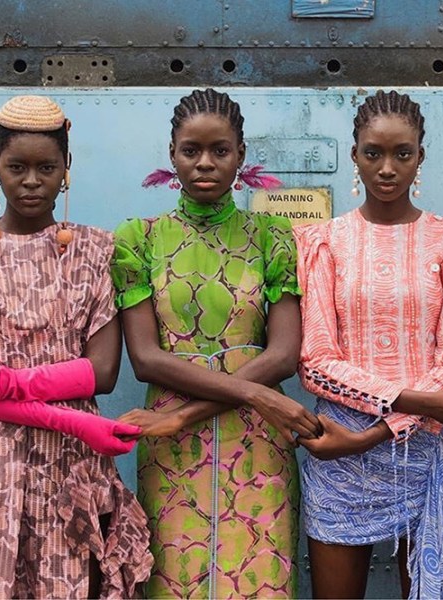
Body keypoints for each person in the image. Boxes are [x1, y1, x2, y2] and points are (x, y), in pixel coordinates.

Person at [294, 89, 443, 599]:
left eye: (403, 153)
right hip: (338, 446)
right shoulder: (322, 243)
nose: (387, 167)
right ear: (354, 154)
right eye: (373, 153)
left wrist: (380, 431)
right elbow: (316, 362)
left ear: (421, 156)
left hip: (427, 447)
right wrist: (410, 405)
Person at [0, 95, 152, 598]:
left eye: (46, 167)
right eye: (16, 166)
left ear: (66, 168)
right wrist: (68, 413)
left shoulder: (96, 251)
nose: (30, 181)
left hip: (68, 468)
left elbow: (103, 372)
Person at [111, 88, 319, 598]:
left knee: (260, 579)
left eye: (220, 151)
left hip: (256, 443)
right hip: (173, 444)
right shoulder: (138, 238)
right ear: (172, 155)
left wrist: (187, 413)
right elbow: (145, 359)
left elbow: (284, 354)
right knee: (174, 578)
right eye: (191, 151)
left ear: (240, 156)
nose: (205, 163)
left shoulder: (272, 235)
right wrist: (253, 392)